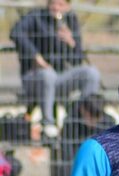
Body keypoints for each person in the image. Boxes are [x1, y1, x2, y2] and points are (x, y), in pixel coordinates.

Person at [10, 0, 101, 139]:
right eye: (53, 3)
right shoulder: (35, 16)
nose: (56, 7)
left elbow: (76, 61)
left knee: (91, 73)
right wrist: (36, 56)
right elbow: (16, 33)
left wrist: (71, 42)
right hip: (35, 78)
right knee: (48, 75)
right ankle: (48, 125)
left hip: (59, 79)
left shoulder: (70, 20)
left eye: (60, 4)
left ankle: (81, 119)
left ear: (68, 7)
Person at [51, 94, 114, 176]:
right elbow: (66, 149)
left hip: (100, 163)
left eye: (97, 117)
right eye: (91, 117)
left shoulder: (108, 122)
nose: (94, 122)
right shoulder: (71, 122)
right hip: (77, 162)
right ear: (82, 110)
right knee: (65, 171)